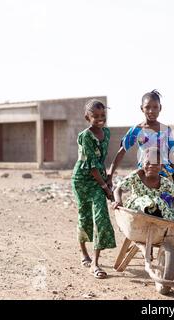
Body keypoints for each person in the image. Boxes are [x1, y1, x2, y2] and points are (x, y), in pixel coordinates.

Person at [71, 99, 116, 279]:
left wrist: (108, 180)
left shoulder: (107, 132)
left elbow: (102, 161)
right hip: (82, 180)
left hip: (99, 179)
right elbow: (91, 166)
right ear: (87, 117)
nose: (100, 119)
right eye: (95, 116)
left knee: (101, 217)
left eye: (102, 115)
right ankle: (84, 253)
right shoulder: (85, 136)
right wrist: (105, 186)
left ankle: (95, 263)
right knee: (85, 216)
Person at [112, 148, 174, 222]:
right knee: (151, 200)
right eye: (148, 163)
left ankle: (163, 222)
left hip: (157, 209)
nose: (151, 166)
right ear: (142, 164)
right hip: (137, 209)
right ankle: (156, 217)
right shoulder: (137, 175)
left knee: (160, 204)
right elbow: (118, 189)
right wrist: (118, 201)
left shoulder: (164, 182)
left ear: (162, 166)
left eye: (156, 163)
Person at [107, 90, 174, 191]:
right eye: (147, 107)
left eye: (155, 107)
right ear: (142, 108)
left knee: (165, 205)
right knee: (145, 203)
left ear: (160, 108)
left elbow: (170, 155)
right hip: (145, 174)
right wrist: (110, 174)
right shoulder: (137, 130)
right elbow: (122, 151)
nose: (151, 111)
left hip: (164, 176)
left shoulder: (166, 130)